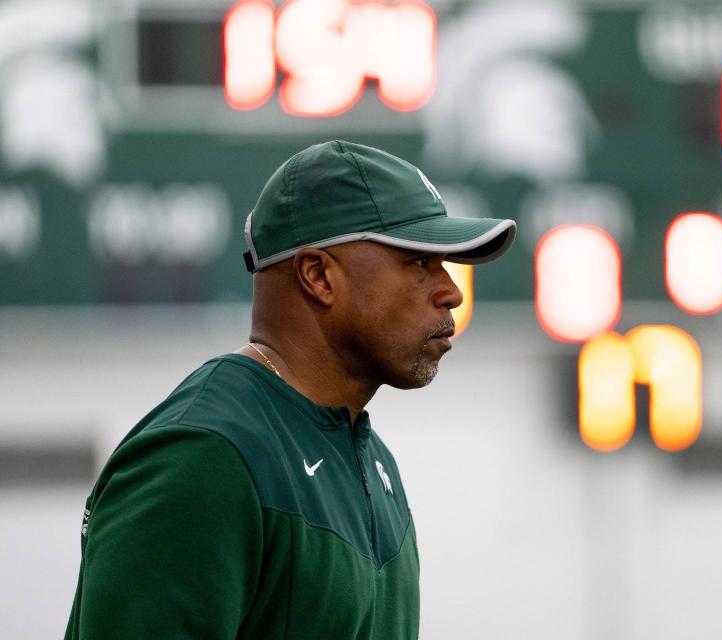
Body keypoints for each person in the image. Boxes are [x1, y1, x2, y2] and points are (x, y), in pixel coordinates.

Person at [64, 140, 517, 639]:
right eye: (418, 263)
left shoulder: (374, 460)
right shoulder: (206, 458)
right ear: (319, 276)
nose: (450, 290)